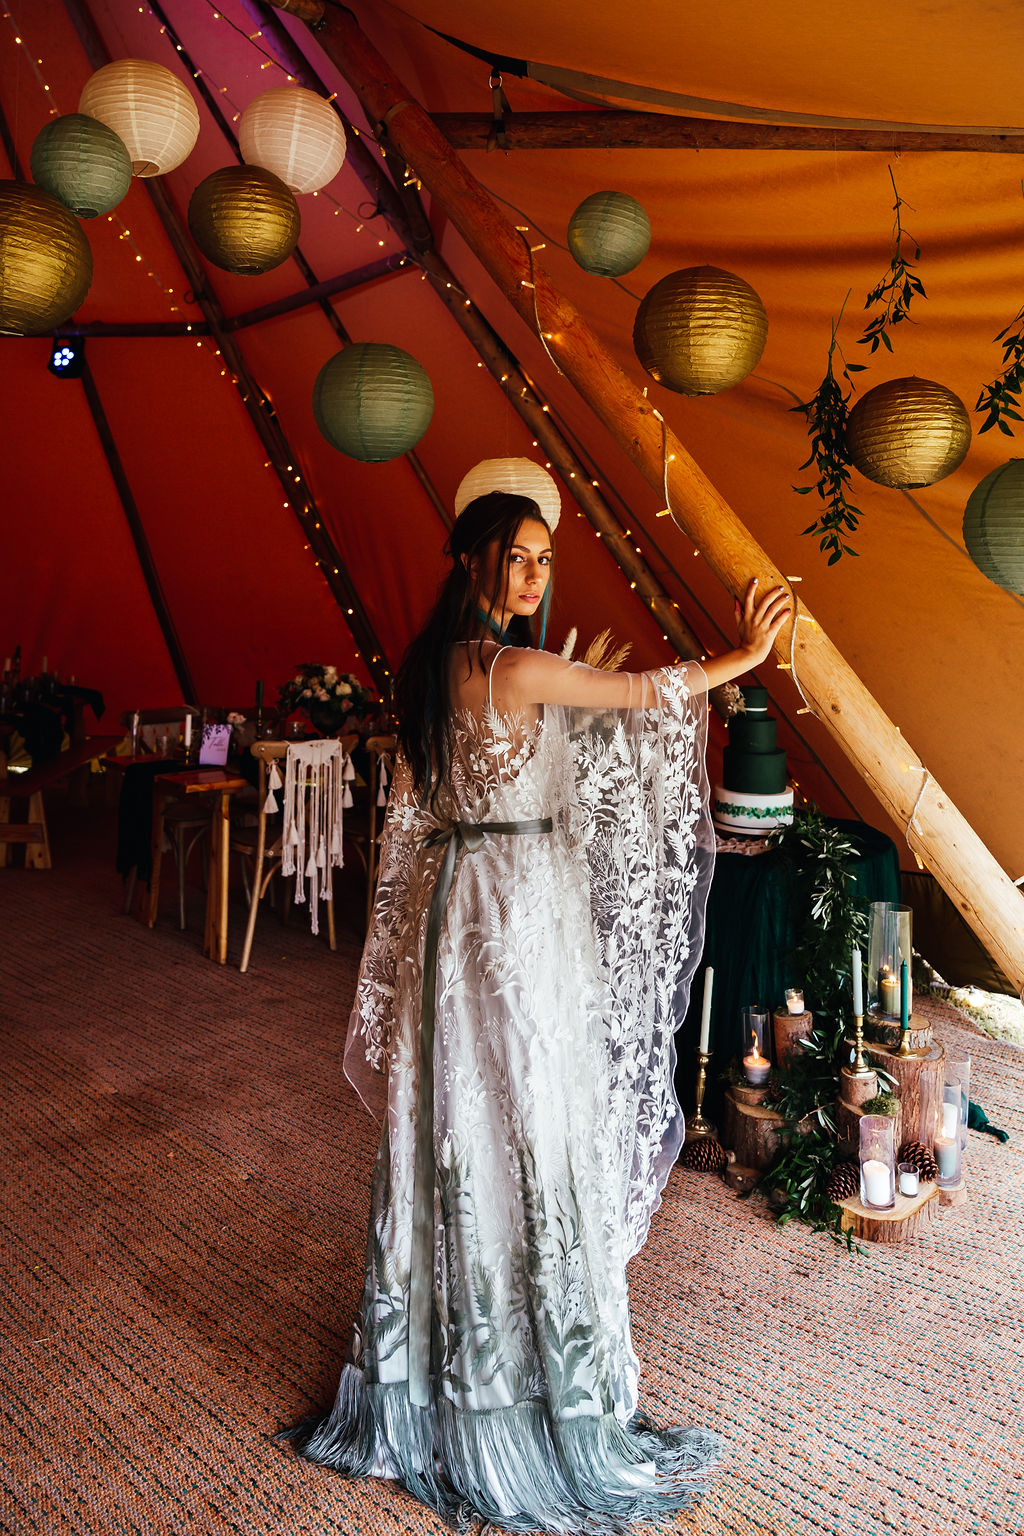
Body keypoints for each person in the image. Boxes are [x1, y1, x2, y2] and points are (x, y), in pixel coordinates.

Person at [282, 490, 790, 1531]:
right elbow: (648, 692)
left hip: (461, 911)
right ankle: (520, 1387)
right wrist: (745, 659)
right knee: (525, 1121)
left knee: (460, 1121)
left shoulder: (437, 671)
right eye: (515, 559)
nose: (532, 578)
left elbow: (539, 740)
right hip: (509, 916)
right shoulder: (507, 665)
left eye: (542, 561)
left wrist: (577, 699)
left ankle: (420, 1371)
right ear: (471, 561)